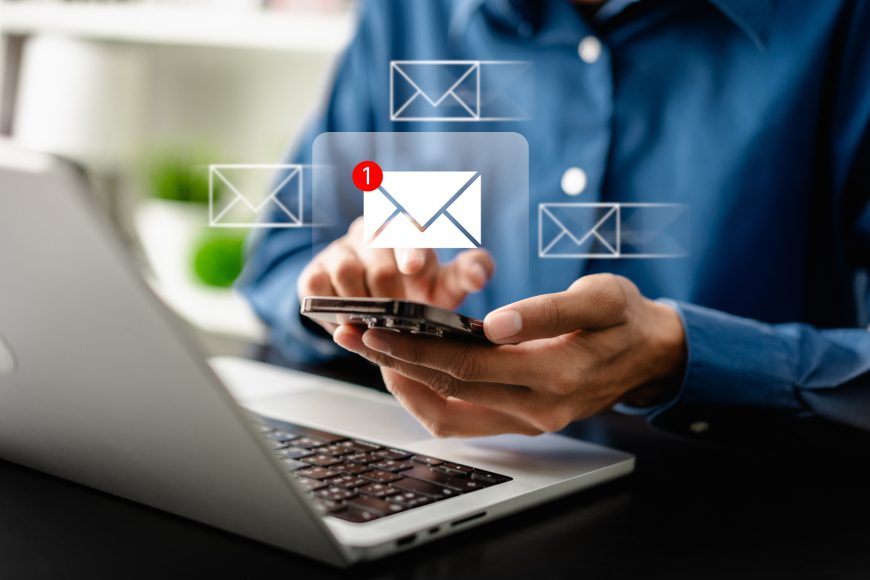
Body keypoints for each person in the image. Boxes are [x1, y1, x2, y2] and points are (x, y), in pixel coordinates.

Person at [239, 0, 870, 443]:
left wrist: (681, 355)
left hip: (749, 515)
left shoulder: (843, 20)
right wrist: (347, 286)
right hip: (451, 477)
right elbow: (281, 262)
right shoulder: (406, 11)